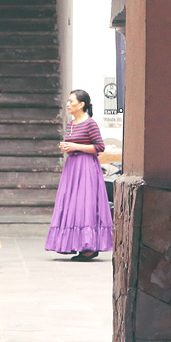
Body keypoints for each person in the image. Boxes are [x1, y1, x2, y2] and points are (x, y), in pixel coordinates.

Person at [45, 89, 115, 261]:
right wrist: (68, 147)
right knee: (72, 204)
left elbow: (99, 147)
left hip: (86, 167)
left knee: (85, 204)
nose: (68, 104)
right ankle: (74, 243)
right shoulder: (71, 124)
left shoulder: (90, 123)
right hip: (73, 167)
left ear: (81, 104)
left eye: (71, 101)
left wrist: (76, 146)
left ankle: (89, 247)